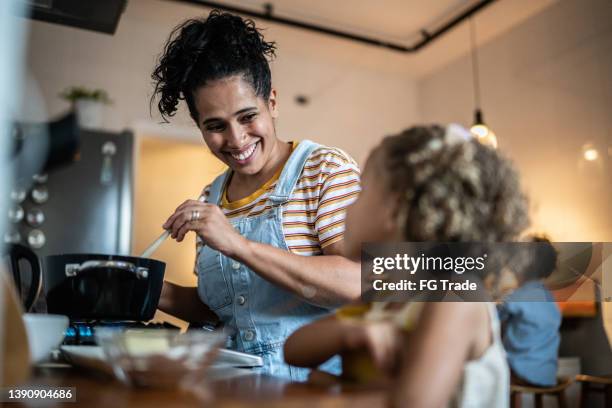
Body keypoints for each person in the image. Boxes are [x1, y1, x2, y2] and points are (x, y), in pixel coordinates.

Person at [151, 11, 361, 380]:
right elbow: (225, 309)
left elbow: (357, 282)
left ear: (273, 103)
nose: (235, 139)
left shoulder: (325, 169)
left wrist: (239, 245)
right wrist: (145, 285)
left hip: (310, 391)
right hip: (230, 386)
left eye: (247, 116)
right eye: (215, 126)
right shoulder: (212, 196)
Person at [284, 124, 530, 407]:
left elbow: (412, 404)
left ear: (394, 208)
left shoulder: (455, 296)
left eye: (361, 192)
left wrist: (335, 394)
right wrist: (350, 332)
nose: (347, 208)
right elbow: (293, 350)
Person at [498, 236, 562, 387]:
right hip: (547, 372)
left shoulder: (518, 296)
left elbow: (492, 317)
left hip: (522, 370)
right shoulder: (547, 296)